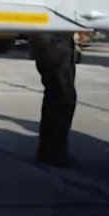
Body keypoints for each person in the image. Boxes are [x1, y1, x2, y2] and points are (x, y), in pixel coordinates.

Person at [28, 32, 77, 167]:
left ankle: (48, 150)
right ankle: (54, 152)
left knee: (55, 93)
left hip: (50, 37)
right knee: (62, 94)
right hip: (55, 38)